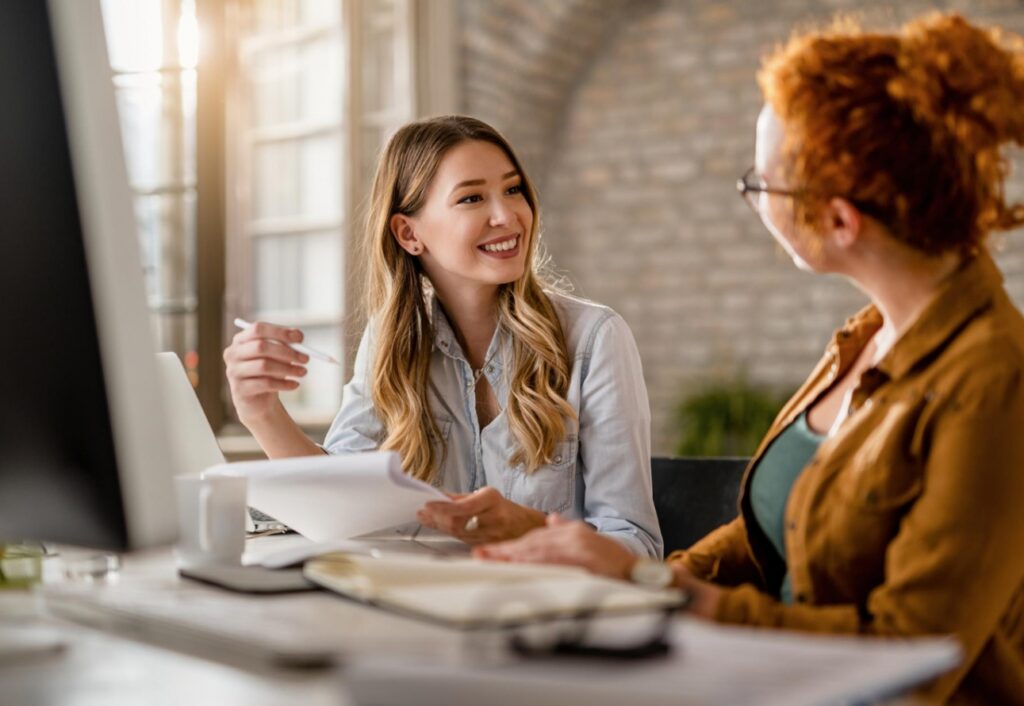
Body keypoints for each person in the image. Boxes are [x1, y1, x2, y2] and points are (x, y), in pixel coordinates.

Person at [475, 13, 1024, 703]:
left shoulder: (995, 380)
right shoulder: (865, 337)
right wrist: (620, 573)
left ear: (840, 219)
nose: (752, 199)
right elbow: (771, 533)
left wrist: (658, 588)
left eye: (761, 184)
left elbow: (913, 654)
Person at [223, 115, 662, 558]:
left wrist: (526, 528)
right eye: (472, 197)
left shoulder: (594, 339)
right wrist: (261, 413)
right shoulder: (391, 342)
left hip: (543, 615)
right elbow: (336, 504)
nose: (507, 215)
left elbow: (637, 547)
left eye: (513, 190)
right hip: (418, 610)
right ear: (409, 233)